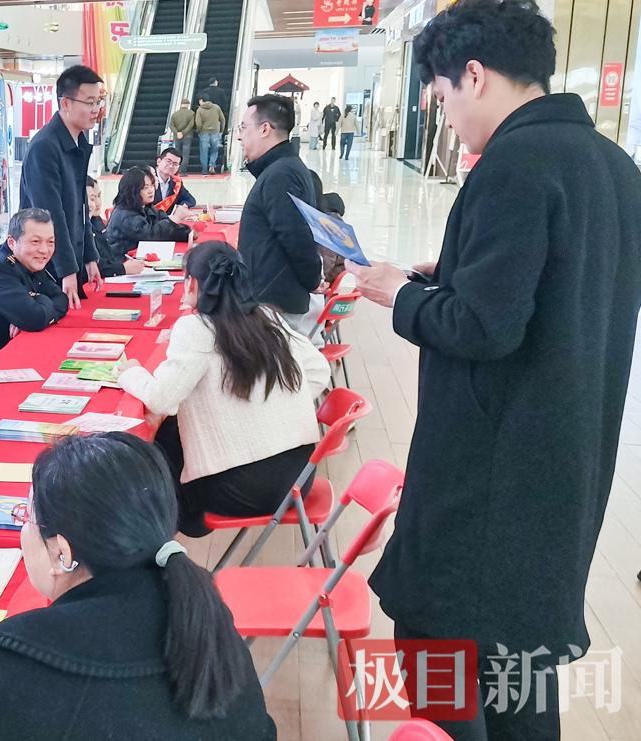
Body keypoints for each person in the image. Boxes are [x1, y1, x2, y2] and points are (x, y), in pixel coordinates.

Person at [344, 2, 641, 739]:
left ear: (473, 76)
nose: (445, 118)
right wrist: (453, 273)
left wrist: (401, 294)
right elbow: (558, 293)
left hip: (485, 480)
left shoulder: (514, 164)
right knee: (521, 668)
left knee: (433, 646)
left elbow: (483, 327)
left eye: (442, 96)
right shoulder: (613, 166)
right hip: (563, 468)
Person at [0, 433, 277, 740]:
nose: (24, 529)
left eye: (27, 517)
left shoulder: (23, 655)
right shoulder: (204, 617)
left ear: (62, 553)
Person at [117, 243, 329, 535]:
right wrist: (267, 410)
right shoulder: (268, 317)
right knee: (173, 429)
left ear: (191, 283)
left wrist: (130, 372)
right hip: (299, 476)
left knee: (159, 442)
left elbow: (161, 399)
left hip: (244, 489)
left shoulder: (196, 329)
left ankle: (150, 534)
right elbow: (319, 371)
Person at [19, 64, 105, 308]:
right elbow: (50, 215)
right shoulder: (45, 147)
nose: (96, 109)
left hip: (67, 260)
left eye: (98, 102)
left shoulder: (77, 142)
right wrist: (66, 269)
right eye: (89, 102)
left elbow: (80, 207)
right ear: (65, 103)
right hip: (45, 265)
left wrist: (89, 256)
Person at [236, 94, 322, 338]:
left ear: (265, 129)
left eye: (244, 127)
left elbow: (296, 237)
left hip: (272, 304)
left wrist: (313, 280)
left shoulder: (280, 174)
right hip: (272, 298)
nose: (240, 136)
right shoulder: (284, 167)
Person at [0, 209, 70, 369]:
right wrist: (32, 308)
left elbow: (61, 299)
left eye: (50, 242)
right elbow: (35, 318)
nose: (44, 250)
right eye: (35, 242)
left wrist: (30, 311)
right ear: (12, 242)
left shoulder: (29, 260)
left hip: (12, 356)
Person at [106, 168, 193, 259]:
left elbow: (164, 225)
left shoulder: (146, 206)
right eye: (145, 187)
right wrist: (174, 219)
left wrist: (187, 233)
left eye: (152, 185)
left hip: (140, 257)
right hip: (122, 261)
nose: (151, 190)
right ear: (132, 190)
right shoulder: (124, 214)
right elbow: (150, 235)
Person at [87, 176, 143, 278]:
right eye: (92, 198)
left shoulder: (96, 221)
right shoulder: (123, 214)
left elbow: (107, 256)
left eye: (98, 196)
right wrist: (123, 268)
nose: (97, 203)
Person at [152, 147, 196, 213]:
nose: (171, 166)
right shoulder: (147, 178)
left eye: (175, 164)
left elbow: (190, 200)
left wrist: (182, 206)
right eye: (168, 161)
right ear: (159, 161)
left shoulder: (176, 182)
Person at [195, 95, 227, 175]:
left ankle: (204, 170)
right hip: (215, 132)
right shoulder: (216, 107)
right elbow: (222, 119)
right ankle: (212, 165)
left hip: (204, 132)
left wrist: (198, 131)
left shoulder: (200, 109)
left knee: (204, 152)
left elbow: (198, 123)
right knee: (214, 150)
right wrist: (221, 130)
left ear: (201, 100)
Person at [168, 99, 196, 173]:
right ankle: (183, 171)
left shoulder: (175, 114)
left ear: (181, 104)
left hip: (177, 136)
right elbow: (191, 125)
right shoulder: (191, 113)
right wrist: (183, 133)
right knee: (185, 154)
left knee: (177, 154)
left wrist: (177, 133)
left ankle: (177, 170)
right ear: (188, 105)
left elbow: (171, 125)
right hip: (187, 136)